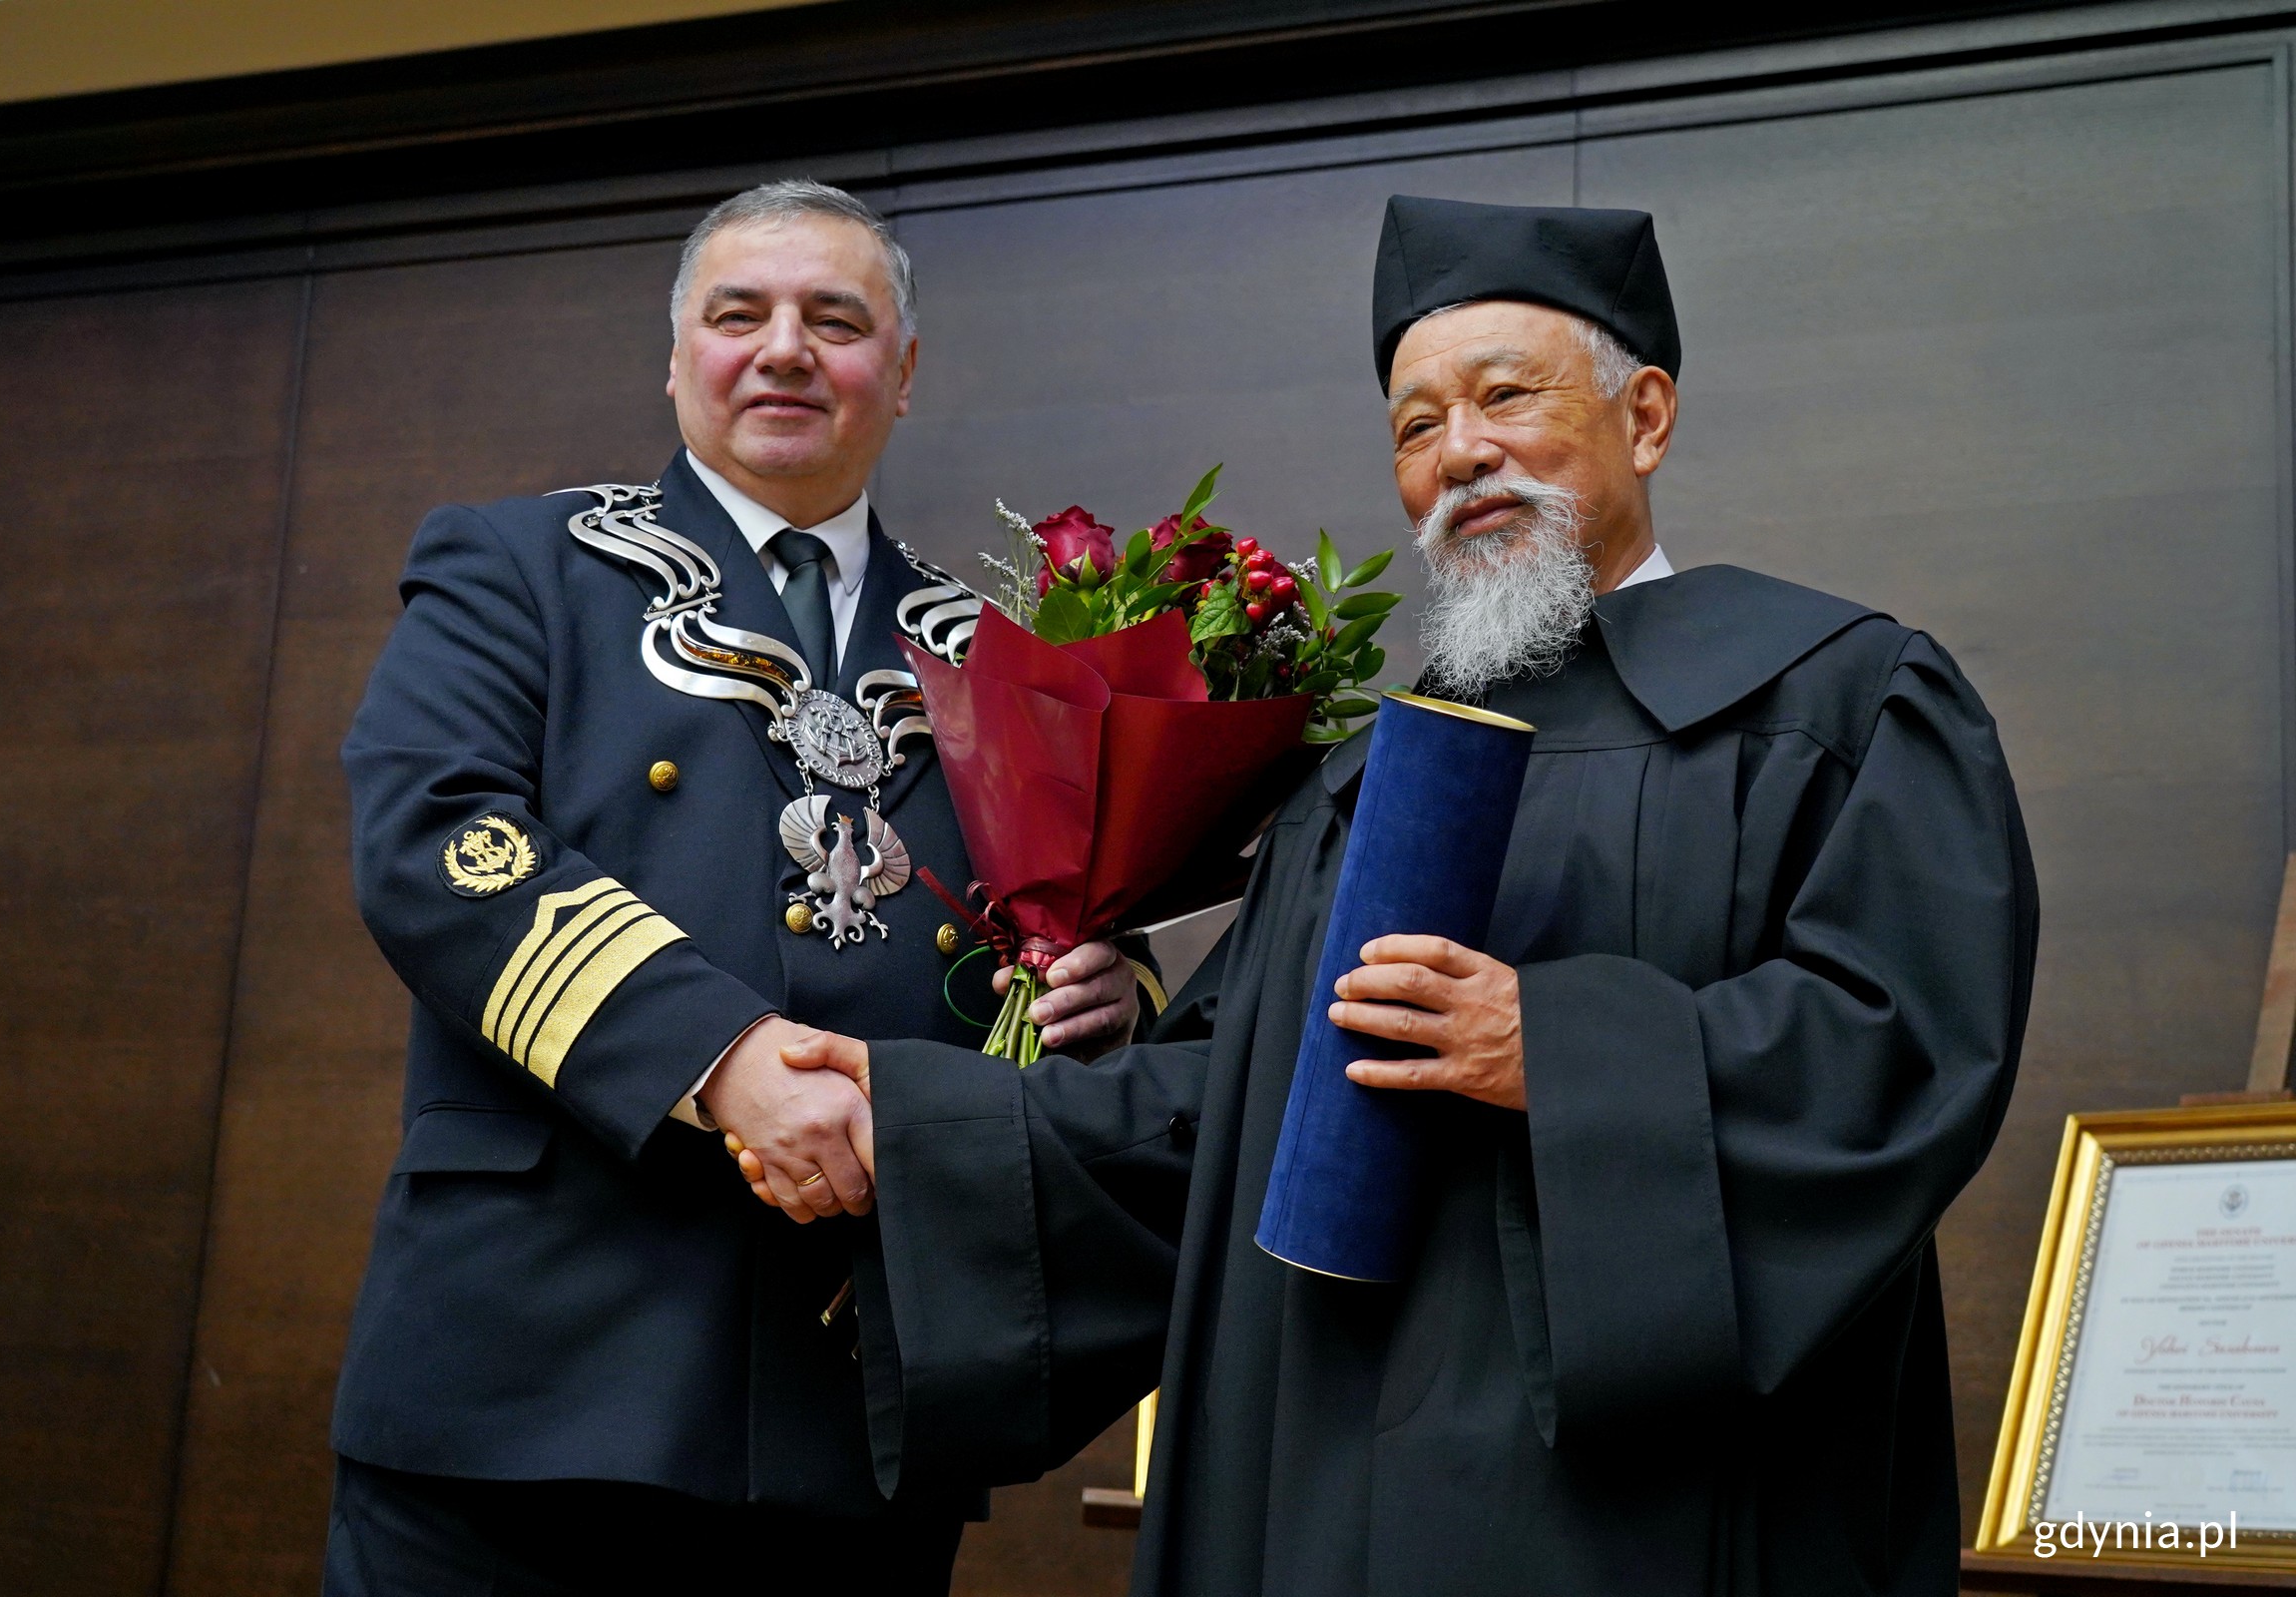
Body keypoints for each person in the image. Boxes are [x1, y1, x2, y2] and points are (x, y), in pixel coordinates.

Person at [775, 197, 2039, 1595]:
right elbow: (1222, 1113)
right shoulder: (1366, 786)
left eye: (1507, 398)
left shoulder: (1834, 700)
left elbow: (1905, 1047)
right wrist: (922, 1119)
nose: (1463, 456)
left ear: (1649, 418)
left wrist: (1556, 1050)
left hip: (1637, 1508)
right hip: (1330, 1482)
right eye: (1417, 427)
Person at [323, 179, 1143, 1596]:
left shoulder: (997, 653)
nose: (783, 349)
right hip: (533, 1385)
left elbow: (1054, 929)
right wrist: (721, 1058)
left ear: (902, 373)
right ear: (675, 358)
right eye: (737, 315)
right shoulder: (519, 565)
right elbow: (440, 843)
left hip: (850, 1405)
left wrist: (1103, 990)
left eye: (835, 320)